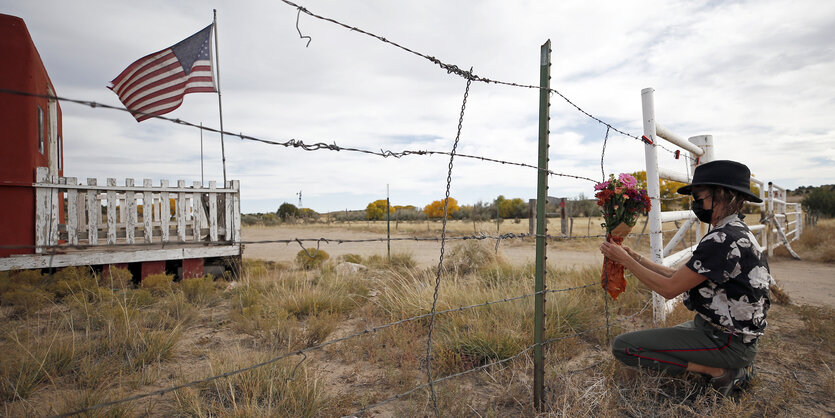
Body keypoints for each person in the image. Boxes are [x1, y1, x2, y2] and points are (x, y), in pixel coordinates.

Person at [599, 160, 774, 396]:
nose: (695, 205)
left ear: (722, 195)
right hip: (727, 335)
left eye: (699, 198)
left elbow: (669, 288)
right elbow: (679, 276)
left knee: (625, 347)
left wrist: (625, 261)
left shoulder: (723, 239)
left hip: (727, 341)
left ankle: (720, 371)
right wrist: (637, 258)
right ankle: (731, 364)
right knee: (656, 341)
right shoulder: (734, 232)